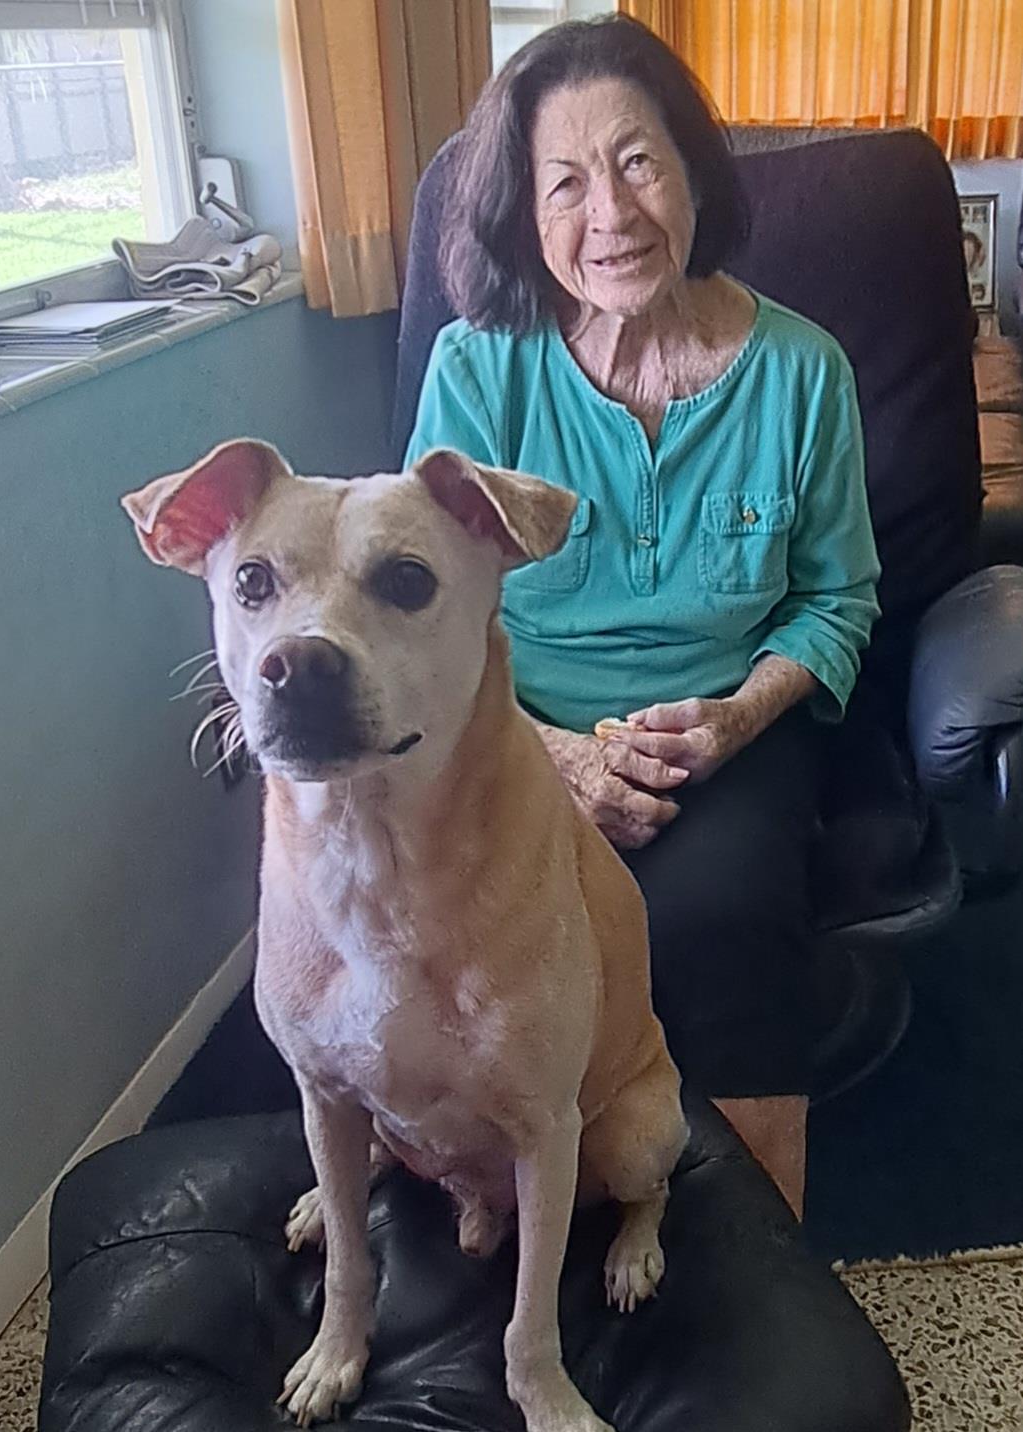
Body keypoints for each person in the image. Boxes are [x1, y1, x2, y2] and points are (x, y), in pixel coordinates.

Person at [404, 15, 880, 1214]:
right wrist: (551, 753)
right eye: (563, 182)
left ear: (692, 173)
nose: (608, 214)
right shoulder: (479, 369)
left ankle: (756, 1265)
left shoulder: (803, 372)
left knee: (713, 917)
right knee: (462, 929)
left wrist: (731, 718)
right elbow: (422, 616)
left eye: (636, 163)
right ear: (524, 212)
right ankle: (481, 1212)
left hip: (722, 734)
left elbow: (837, 596)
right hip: (512, 734)